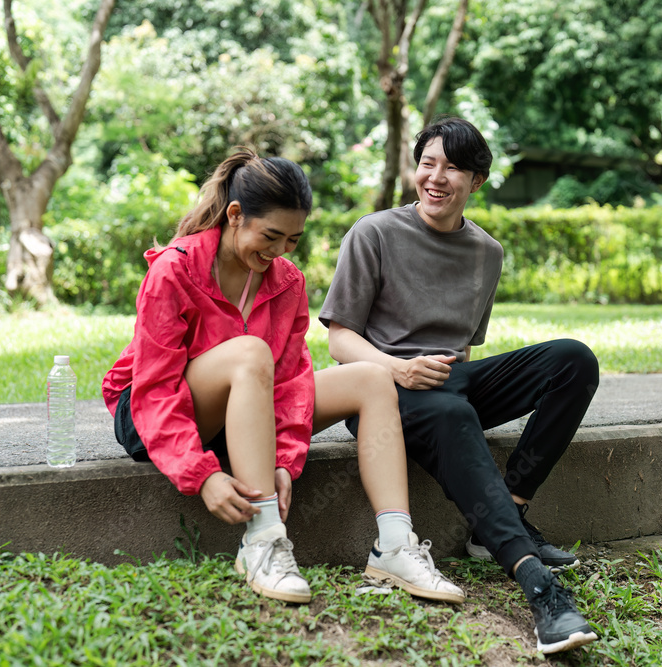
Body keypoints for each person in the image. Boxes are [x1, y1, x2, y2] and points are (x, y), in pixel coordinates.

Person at [102, 147, 463, 606]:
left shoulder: (286, 281)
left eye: (292, 239)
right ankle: (263, 540)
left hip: (243, 414)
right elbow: (155, 389)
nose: (279, 251)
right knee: (252, 353)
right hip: (152, 415)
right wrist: (201, 474)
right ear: (235, 215)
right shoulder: (175, 269)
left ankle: (394, 545)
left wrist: (284, 459)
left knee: (372, 378)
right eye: (271, 236)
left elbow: (291, 384)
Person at [318, 117, 600, 653]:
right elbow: (339, 339)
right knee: (451, 413)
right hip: (382, 391)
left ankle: (509, 507)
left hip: (448, 383)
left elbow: (464, 348)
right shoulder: (373, 233)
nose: (436, 177)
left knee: (573, 360)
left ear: (477, 181)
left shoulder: (487, 252)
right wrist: (397, 369)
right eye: (428, 163)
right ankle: (539, 586)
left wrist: (447, 383)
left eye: (452, 168)